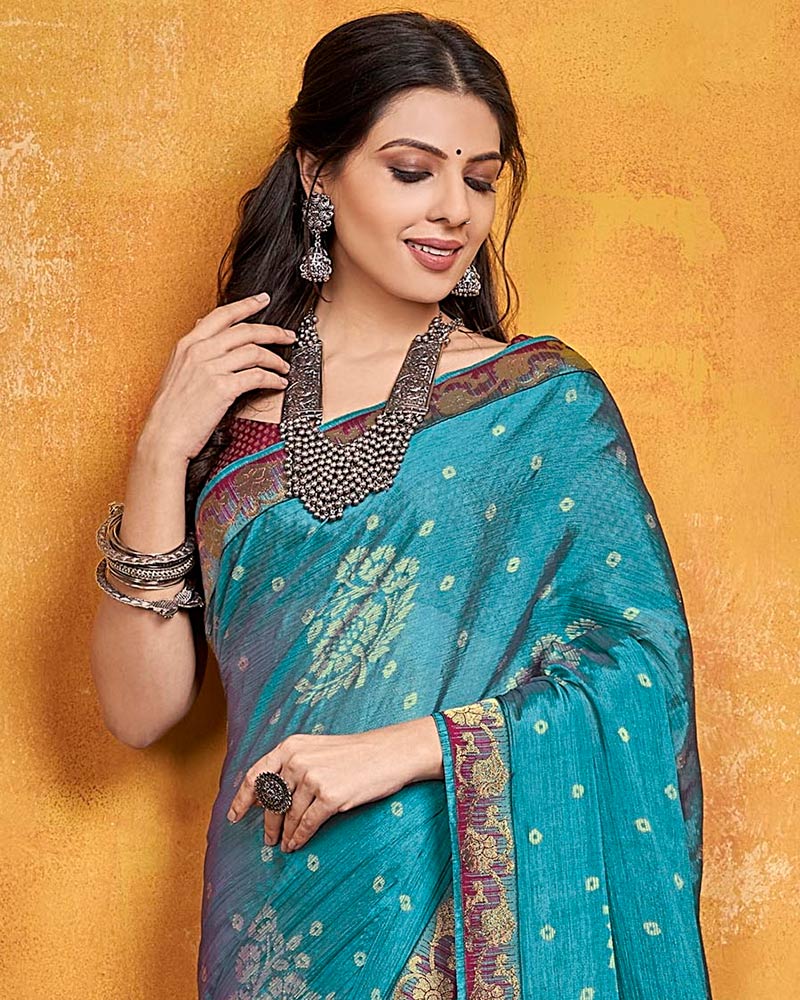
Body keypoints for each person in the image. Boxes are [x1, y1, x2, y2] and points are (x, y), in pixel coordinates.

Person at [89, 11, 714, 999]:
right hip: (275, 913)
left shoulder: (540, 406)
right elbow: (139, 710)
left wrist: (412, 748)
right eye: (412, 170)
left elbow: (638, 666)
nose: (453, 211)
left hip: (463, 909)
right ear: (317, 172)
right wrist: (161, 448)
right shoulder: (229, 410)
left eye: (480, 179)